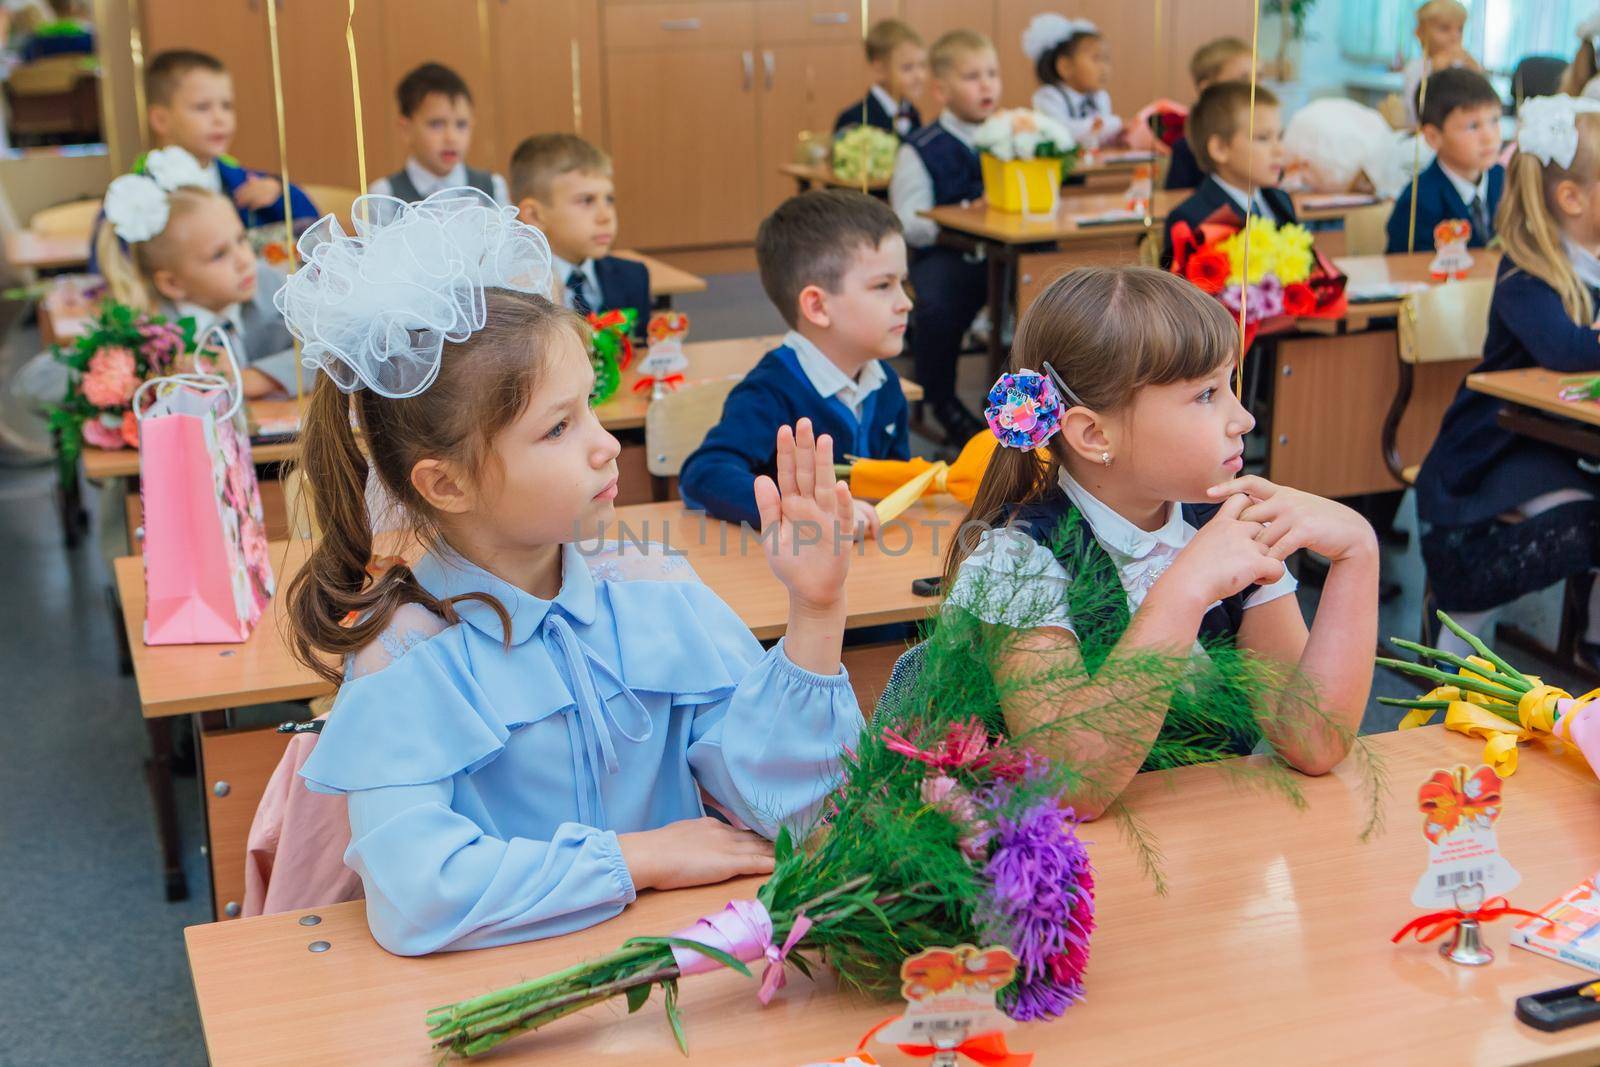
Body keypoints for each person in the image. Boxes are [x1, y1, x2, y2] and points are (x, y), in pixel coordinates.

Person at [279, 187, 863, 956]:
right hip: (507, 996)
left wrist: (815, 616)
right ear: (444, 483)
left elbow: (787, 814)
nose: (604, 446)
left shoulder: (656, 591)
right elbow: (417, 894)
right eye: (557, 427)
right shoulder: (408, 655)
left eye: (589, 407)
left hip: (676, 978)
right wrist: (639, 858)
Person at [943, 266, 1376, 817]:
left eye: (1232, 386)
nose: (1243, 419)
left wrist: (1357, 553)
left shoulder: (1228, 523)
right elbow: (1073, 787)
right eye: (1205, 396)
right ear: (1095, 434)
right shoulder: (1019, 558)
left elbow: (1315, 741)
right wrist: (1186, 588)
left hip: (1215, 850)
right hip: (1078, 879)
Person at [1414, 96, 1600, 664]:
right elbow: (1566, 348)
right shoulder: (1529, 271)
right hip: (1487, 454)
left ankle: (1592, 640)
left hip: (1554, 443)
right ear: (1571, 198)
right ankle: (1462, 612)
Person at [679, 190, 912, 534]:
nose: (905, 302)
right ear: (817, 307)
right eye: (883, 286)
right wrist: (798, 512)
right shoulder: (770, 391)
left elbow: (895, 479)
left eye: (903, 283)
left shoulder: (884, 383)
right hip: (792, 571)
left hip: (867, 559)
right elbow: (704, 474)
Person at [96, 147, 299, 398]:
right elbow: (41, 380)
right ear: (172, 283)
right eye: (219, 255)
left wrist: (254, 378)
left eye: (241, 239)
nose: (244, 260)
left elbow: (331, 352)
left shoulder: (272, 285)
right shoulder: (150, 331)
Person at [890, 29, 1000, 444]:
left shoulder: (1016, 135)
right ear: (940, 90)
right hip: (949, 254)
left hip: (1008, 253)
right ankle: (941, 400)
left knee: (1051, 290)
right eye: (972, 76)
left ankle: (1031, 401)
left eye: (992, 73)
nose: (986, 84)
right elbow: (906, 220)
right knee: (937, 305)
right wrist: (958, 218)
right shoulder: (921, 147)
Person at [509, 132, 648, 323]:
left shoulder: (633, 277)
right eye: (586, 200)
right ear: (534, 215)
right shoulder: (514, 292)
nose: (606, 216)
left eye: (609, 199)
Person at [1161, 81, 1295, 267]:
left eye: (1280, 137)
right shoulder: (1190, 218)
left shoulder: (1280, 200)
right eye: (1263, 138)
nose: (1279, 150)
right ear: (1220, 149)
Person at [1385, 67, 1504, 253]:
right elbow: (1403, 271)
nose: (1489, 137)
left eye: (1494, 120)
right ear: (1433, 137)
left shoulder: (1508, 182)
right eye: (1473, 126)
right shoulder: (1417, 202)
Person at [368, 62, 509, 206]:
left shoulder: (493, 187)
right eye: (436, 124)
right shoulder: (384, 195)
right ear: (406, 130)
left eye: (461, 124)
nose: (451, 138)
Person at [1021, 13, 1122, 150]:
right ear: (1065, 67)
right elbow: (1061, 131)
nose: (1104, 68)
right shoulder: (1048, 97)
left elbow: (1103, 134)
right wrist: (1111, 124)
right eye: (1096, 59)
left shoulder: (1101, 97)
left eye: (1106, 59)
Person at [1166, 37, 1252, 190]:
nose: (1255, 86)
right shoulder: (1186, 148)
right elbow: (1175, 200)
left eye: (1259, 76)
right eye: (1243, 79)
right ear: (1208, 88)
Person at [834, 18, 927, 137]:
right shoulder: (854, 119)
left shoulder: (913, 113)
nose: (920, 76)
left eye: (922, 65)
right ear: (880, 69)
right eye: (907, 68)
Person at [1401, 0, 1480, 131]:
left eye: (1460, 29)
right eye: (1445, 28)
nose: (1455, 36)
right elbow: (1418, 115)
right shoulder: (1416, 68)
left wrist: (1476, 74)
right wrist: (1438, 72)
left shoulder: (1464, 66)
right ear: (1420, 33)